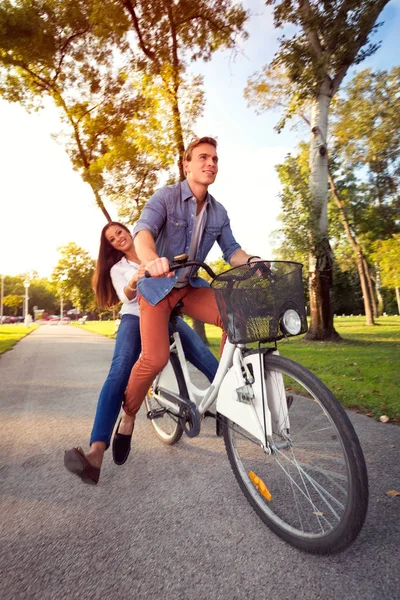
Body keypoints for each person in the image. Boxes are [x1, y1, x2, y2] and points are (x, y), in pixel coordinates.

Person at [118, 137, 261, 438]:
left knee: (235, 316)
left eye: (215, 160)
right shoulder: (165, 197)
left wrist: (253, 261)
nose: (211, 163)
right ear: (186, 165)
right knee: (154, 358)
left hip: (189, 287)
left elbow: (232, 251)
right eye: (203, 158)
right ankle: (128, 415)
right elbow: (143, 232)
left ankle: (231, 393)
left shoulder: (218, 212)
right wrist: (153, 260)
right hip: (158, 289)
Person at [63, 221, 219, 484]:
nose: (118, 239)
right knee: (120, 370)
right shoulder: (118, 268)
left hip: (166, 315)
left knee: (204, 356)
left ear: (129, 231)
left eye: (120, 232)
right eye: (112, 239)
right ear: (111, 246)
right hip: (134, 319)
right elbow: (126, 297)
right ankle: (97, 451)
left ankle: (247, 402)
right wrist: (136, 278)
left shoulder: (154, 249)